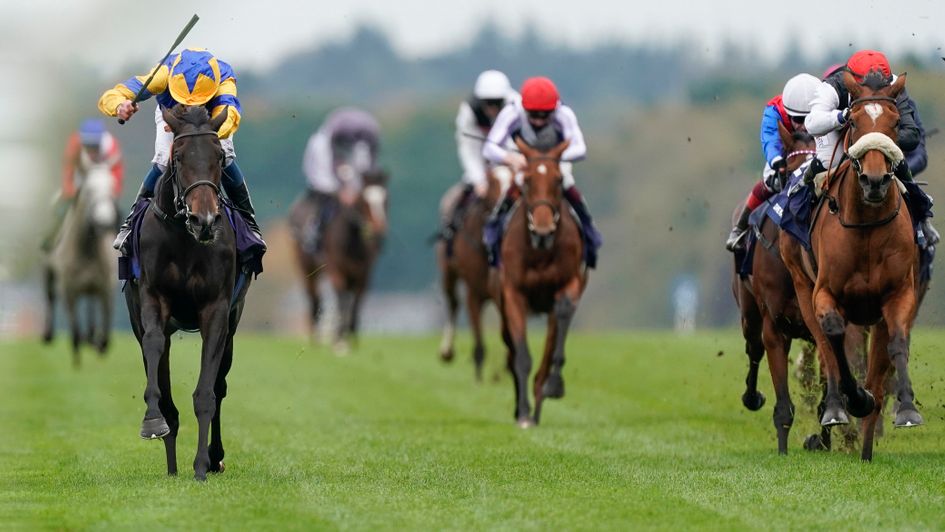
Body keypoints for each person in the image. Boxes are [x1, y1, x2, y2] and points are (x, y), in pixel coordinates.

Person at [99, 47, 264, 252]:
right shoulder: (163, 73)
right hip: (172, 119)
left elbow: (229, 115)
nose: (190, 106)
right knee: (161, 159)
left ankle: (249, 221)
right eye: (185, 100)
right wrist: (119, 106)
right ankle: (131, 223)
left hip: (210, 122)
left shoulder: (224, 78)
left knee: (226, 155)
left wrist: (205, 135)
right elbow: (114, 94)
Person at [805, 49, 937, 245]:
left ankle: (922, 216)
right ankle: (802, 213)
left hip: (877, 133)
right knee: (825, 162)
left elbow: (911, 135)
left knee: (899, 162)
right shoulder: (835, 85)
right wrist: (842, 117)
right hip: (837, 128)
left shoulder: (893, 85)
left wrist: (878, 137)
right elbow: (812, 124)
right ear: (853, 84)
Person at [482, 76, 602, 268]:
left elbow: (580, 149)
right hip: (525, 164)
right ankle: (493, 233)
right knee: (514, 188)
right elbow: (489, 148)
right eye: (533, 115)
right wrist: (510, 159)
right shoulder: (511, 112)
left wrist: (553, 158)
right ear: (524, 108)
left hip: (555, 162)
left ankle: (589, 232)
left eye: (545, 115)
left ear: (554, 109)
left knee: (568, 185)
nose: (538, 121)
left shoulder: (564, 114)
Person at [725, 73, 821, 251]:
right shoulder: (774, 111)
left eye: (809, 119)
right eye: (798, 120)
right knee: (771, 181)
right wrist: (776, 160)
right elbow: (769, 138)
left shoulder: (827, 107)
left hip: (821, 148)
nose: (805, 126)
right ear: (788, 113)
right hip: (786, 152)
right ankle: (740, 227)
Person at [440, 70, 518, 255]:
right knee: (452, 202)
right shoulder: (469, 111)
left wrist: (511, 168)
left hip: (512, 164)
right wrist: (479, 180)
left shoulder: (517, 106)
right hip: (481, 166)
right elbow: (468, 148)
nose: (492, 108)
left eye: (496, 103)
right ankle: (450, 245)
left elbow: (516, 143)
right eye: (487, 103)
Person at [300, 107, 381, 253]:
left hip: (349, 150)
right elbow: (333, 161)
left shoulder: (371, 134)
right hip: (329, 152)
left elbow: (371, 164)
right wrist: (342, 189)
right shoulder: (336, 133)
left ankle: (369, 230)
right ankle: (315, 230)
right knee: (327, 188)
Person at [43, 118, 124, 251]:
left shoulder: (111, 146)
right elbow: (68, 168)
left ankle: (122, 246)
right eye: (88, 146)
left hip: (102, 183)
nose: (92, 150)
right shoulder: (75, 142)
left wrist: (113, 193)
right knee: (59, 206)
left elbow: (117, 172)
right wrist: (70, 191)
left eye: (94, 146)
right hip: (80, 179)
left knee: (116, 213)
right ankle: (51, 238)